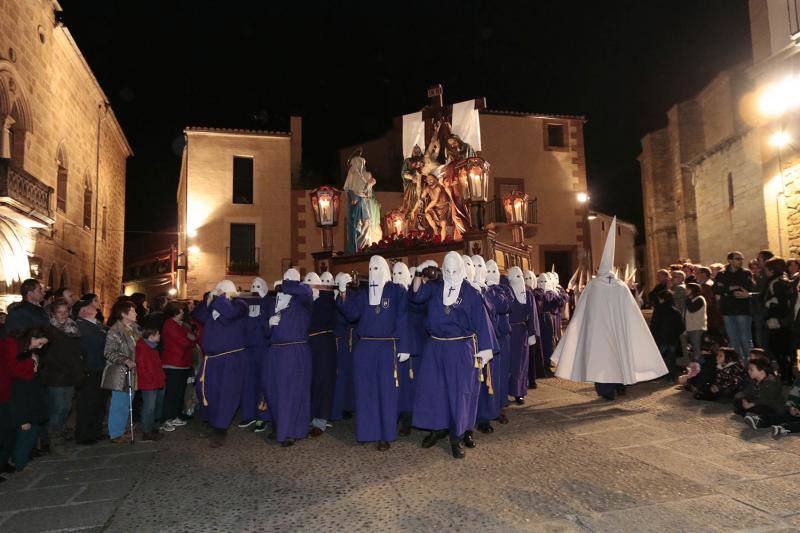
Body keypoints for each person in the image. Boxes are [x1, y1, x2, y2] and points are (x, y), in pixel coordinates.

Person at [553, 217, 668, 400]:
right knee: (619, 354)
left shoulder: (593, 285)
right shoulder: (621, 286)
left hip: (599, 332)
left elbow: (583, 310)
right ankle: (619, 384)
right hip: (618, 330)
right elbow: (632, 311)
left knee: (602, 360)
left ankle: (607, 389)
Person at [410, 252, 494, 459]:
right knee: (434, 391)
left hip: (460, 349)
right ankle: (437, 428)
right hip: (436, 346)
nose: (450, 274)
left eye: (454, 271)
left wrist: (484, 352)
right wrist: (420, 274)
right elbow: (416, 297)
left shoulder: (472, 293)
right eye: (446, 270)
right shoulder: (435, 287)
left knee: (460, 394)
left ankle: (457, 436)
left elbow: (482, 322)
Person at [337, 256, 410, 451]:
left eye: (377, 267)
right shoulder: (362, 294)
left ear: (385, 269)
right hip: (365, 348)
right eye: (370, 268)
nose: (373, 271)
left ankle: (385, 434)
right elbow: (352, 314)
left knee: (386, 393)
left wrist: (404, 347)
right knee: (365, 391)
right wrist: (343, 292)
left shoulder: (397, 291)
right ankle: (367, 431)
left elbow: (403, 318)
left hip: (387, 347)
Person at [192, 280, 248, 448]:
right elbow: (198, 315)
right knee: (207, 390)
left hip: (230, 358)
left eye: (219, 291)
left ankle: (220, 428)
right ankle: (210, 421)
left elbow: (229, 315)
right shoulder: (215, 306)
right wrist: (207, 301)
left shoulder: (240, 305)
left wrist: (218, 299)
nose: (216, 294)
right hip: (211, 359)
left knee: (226, 393)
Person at [263, 269, 313, 447]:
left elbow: (306, 290)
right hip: (275, 351)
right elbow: (265, 332)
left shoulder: (302, 299)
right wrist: (269, 325)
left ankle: (291, 430)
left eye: (291, 281)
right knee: (273, 390)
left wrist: (284, 284)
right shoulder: (273, 301)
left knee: (291, 392)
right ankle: (280, 426)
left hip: (294, 350)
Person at [42, 299, 85, 446]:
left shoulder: (73, 328)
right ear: (53, 313)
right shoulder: (48, 331)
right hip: (57, 375)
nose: (63, 315)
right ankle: (53, 439)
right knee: (58, 407)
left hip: (71, 374)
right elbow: (48, 355)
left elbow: (77, 350)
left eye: (66, 311)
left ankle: (60, 430)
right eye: (60, 312)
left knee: (66, 407)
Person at [7, 328, 49, 471]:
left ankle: (22, 461)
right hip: (23, 409)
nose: (40, 346)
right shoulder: (18, 356)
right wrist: (23, 419)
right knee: (23, 438)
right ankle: (19, 463)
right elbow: (19, 396)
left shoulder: (29, 358)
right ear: (32, 338)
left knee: (30, 436)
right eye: (40, 343)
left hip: (31, 406)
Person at [473, 255, 506, 434]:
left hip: (489, 339)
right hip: (471, 342)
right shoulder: (467, 290)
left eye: (481, 266)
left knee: (489, 379)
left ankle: (486, 416)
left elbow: (502, 306)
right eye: (474, 265)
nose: (478, 269)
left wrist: (488, 290)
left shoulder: (490, 290)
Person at [304, 272, 338, 437]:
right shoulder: (303, 302)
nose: (310, 286)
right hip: (307, 345)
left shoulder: (326, 300)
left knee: (323, 382)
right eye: (307, 283)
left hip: (323, 344)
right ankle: (307, 416)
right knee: (308, 382)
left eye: (313, 283)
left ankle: (320, 420)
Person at [101, 301, 139, 444]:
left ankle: (123, 428)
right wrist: (124, 360)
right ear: (124, 314)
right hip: (120, 372)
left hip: (133, 371)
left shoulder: (135, 328)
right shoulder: (115, 330)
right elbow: (109, 352)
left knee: (128, 401)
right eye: (133, 311)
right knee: (119, 402)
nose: (136, 313)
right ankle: (115, 432)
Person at [238, 277, 271, 433]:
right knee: (248, 383)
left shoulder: (268, 303)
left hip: (264, 349)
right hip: (248, 349)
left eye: (259, 286)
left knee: (263, 383)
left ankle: (262, 417)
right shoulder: (246, 304)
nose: (255, 288)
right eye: (253, 286)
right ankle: (248, 414)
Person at [73, 298, 108, 445]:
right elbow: (94, 343)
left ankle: (96, 430)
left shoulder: (97, 325)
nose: (96, 307)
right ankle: (84, 434)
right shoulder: (81, 326)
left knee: (100, 402)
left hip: (101, 367)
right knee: (87, 403)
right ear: (83, 311)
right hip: (90, 368)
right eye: (91, 305)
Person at [485, 259, 514, 424]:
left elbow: (504, 305)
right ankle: (487, 410)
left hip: (502, 338)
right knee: (488, 376)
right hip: (487, 338)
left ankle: (500, 406)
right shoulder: (481, 290)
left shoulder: (503, 290)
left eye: (494, 271)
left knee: (501, 374)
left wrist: (492, 291)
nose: (492, 275)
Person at [160, 302, 196, 431]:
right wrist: (190, 339)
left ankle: (174, 416)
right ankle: (166, 419)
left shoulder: (180, 325)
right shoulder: (170, 324)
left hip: (182, 363)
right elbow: (185, 341)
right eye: (180, 311)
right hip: (173, 363)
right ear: (174, 312)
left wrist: (190, 339)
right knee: (172, 393)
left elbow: (193, 337)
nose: (182, 313)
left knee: (179, 393)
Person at [506, 267, 538, 405]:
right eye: (515, 276)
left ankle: (519, 392)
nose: (518, 279)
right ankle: (505, 392)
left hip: (520, 332)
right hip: (507, 332)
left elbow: (532, 313)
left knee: (520, 365)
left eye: (520, 276)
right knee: (508, 364)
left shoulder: (528, 294)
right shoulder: (505, 292)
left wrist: (532, 333)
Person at [714, 251, 755, 360]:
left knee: (745, 338)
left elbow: (746, 287)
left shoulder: (746, 273)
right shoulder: (722, 274)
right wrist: (730, 288)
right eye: (738, 259)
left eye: (741, 259)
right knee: (733, 339)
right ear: (730, 260)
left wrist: (726, 288)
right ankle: (737, 364)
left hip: (742, 309)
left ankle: (750, 363)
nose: (740, 261)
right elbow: (716, 289)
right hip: (727, 310)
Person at [391, 261, 417, 436]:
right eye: (394, 274)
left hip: (411, 345)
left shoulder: (412, 297)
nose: (397, 277)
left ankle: (408, 418)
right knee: (394, 384)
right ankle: (393, 416)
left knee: (408, 385)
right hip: (392, 344)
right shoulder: (388, 294)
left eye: (401, 274)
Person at [761, 257, 794, 384]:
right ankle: (786, 374)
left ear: (772, 270)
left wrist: (770, 307)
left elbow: (781, 303)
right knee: (782, 348)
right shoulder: (782, 280)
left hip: (777, 320)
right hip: (781, 320)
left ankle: (786, 376)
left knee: (779, 348)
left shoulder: (777, 282)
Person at [135, 326, 165, 442]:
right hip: (149, 383)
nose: (159, 336)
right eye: (158, 334)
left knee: (155, 406)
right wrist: (150, 379)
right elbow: (142, 367)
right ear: (151, 336)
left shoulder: (152, 347)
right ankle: (146, 431)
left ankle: (153, 428)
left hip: (156, 381)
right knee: (149, 407)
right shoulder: (143, 348)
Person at [680, 283, 706, 363]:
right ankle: (688, 364)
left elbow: (692, 309)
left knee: (696, 349)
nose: (686, 290)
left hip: (697, 327)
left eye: (688, 289)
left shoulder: (699, 299)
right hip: (688, 327)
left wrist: (687, 299)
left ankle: (700, 368)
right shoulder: (689, 300)